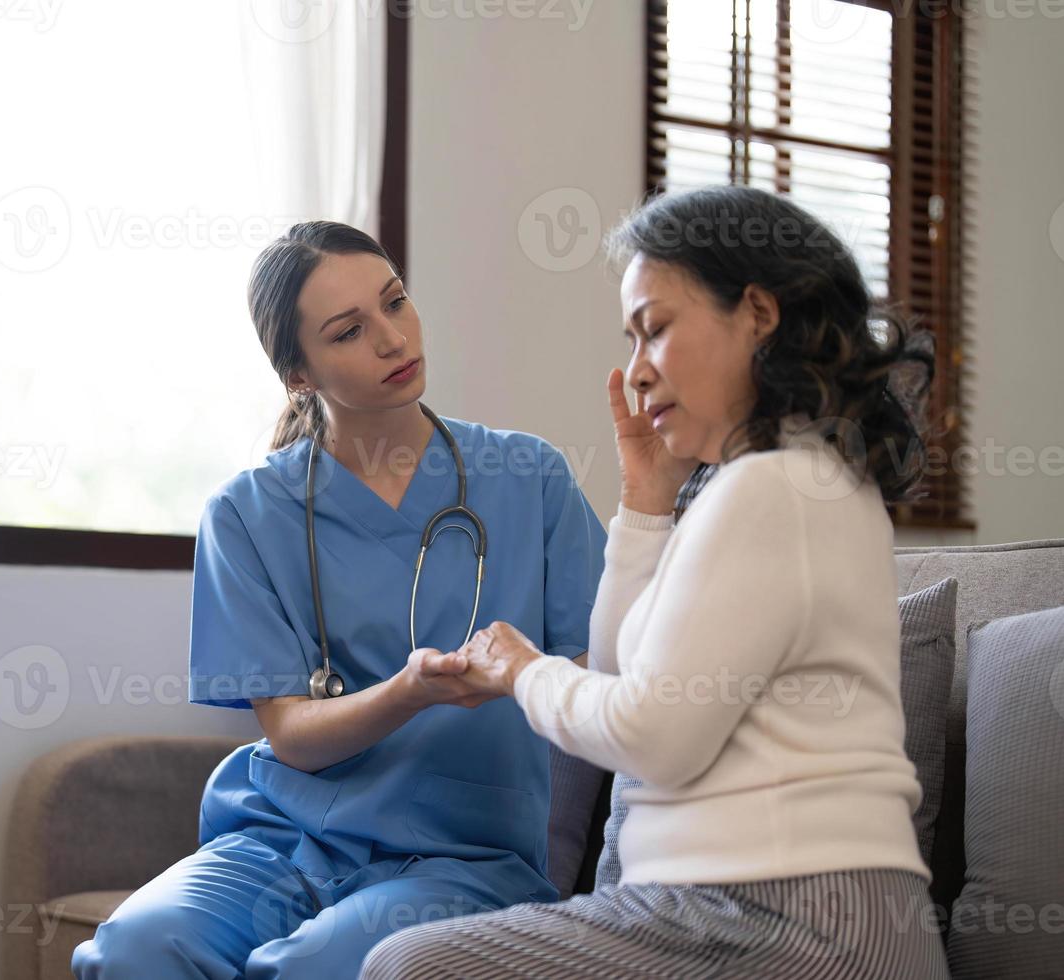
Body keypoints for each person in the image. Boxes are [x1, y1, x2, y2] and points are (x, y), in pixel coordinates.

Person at [361, 186, 949, 979]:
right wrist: (646, 501)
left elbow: (649, 736)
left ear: (758, 316)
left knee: (409, 967)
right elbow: (621, 677)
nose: (635, 373)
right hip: (760, 912)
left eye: (656, 331)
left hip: (788, 916)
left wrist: (526, 672)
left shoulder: (772, 487)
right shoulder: (777, 482)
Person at [70, 220, 608, 978]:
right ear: (299, 375)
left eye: (396, 302)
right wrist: (409, 693)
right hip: (279, 837)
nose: (393, 339)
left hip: (462, 856)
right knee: (137, 949)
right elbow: (290, 733)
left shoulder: (530, 478)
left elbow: (598, 669)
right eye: (350, 331)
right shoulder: (247, 514)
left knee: (313, 968)